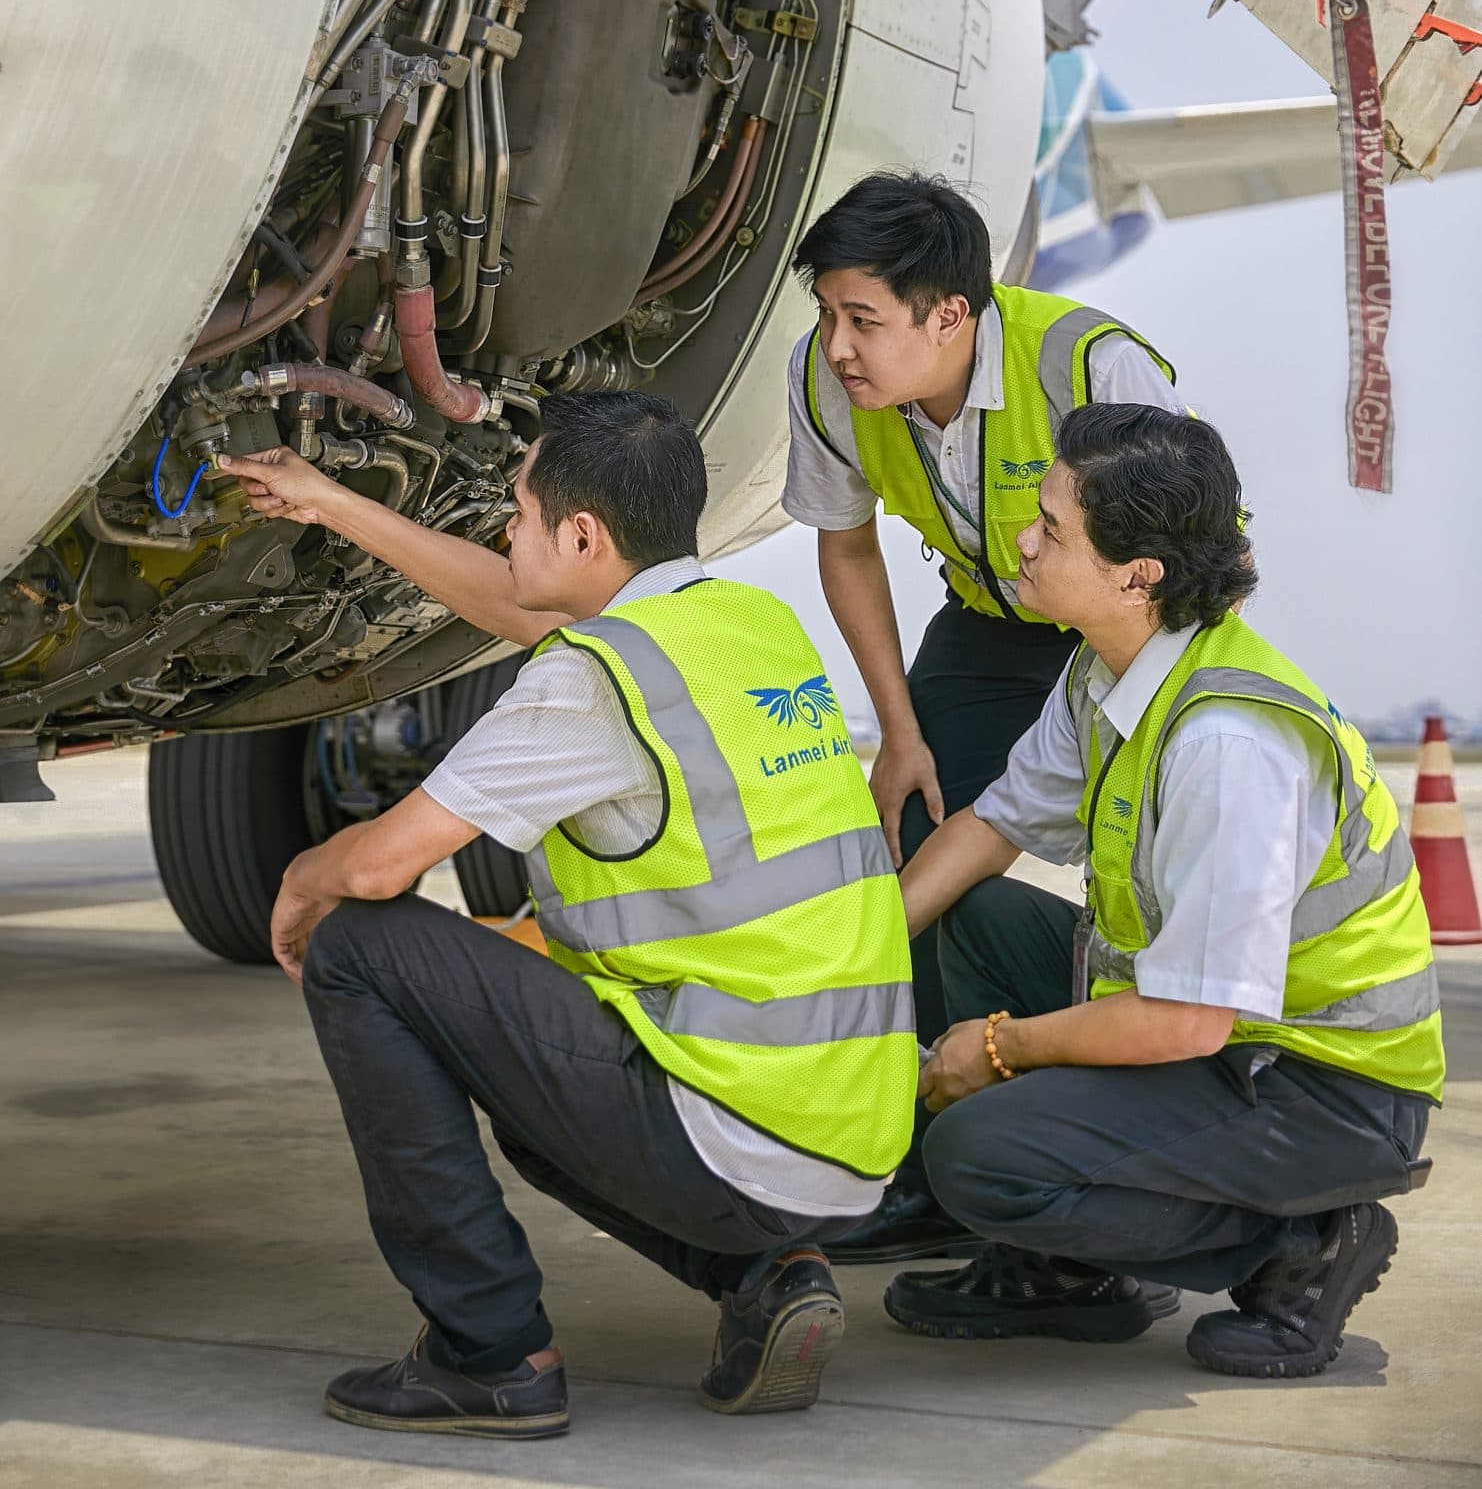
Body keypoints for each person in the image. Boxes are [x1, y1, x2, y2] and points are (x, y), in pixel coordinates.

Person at [218, 390, 918, 1440]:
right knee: (536, 1090)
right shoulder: (745, 625)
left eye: (516, 508)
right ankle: (768, 1272)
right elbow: (513, 599)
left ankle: (488, 1352)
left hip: (736, 1130)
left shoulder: (592, 683)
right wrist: (328, 503)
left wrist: (303, 881)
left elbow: (380, 867)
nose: (504, 528)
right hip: (848, 1138)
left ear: (582, 534)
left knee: (363, 947)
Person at [886, 403, 1441, 1379]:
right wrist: (852, 949)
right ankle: (1069, 1268)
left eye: (1050, 528)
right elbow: (991, 825)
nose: (1020, 539)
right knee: (977, 919)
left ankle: (1299, 1246)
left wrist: (995, 1047)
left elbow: (1187, 1023)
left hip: (1319, 1082)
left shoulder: (1226, 743)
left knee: (973, 1155)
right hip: (1222, 1035)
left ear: (1135, 573)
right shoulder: (1105, 675)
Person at [783, 169, 1183, 1261]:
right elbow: (846, 539)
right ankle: (915, 1161)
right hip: (990, 615)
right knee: (916, 835)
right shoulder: (828, 387)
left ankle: (1129, 1101)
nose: (836, 346)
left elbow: (1181, 564)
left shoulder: (1091, 365)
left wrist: (1144, 718)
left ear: (950, 312)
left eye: (861, 318)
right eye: (825, 314)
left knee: (1146, 859)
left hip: (1130, 619)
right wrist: (897, 725)